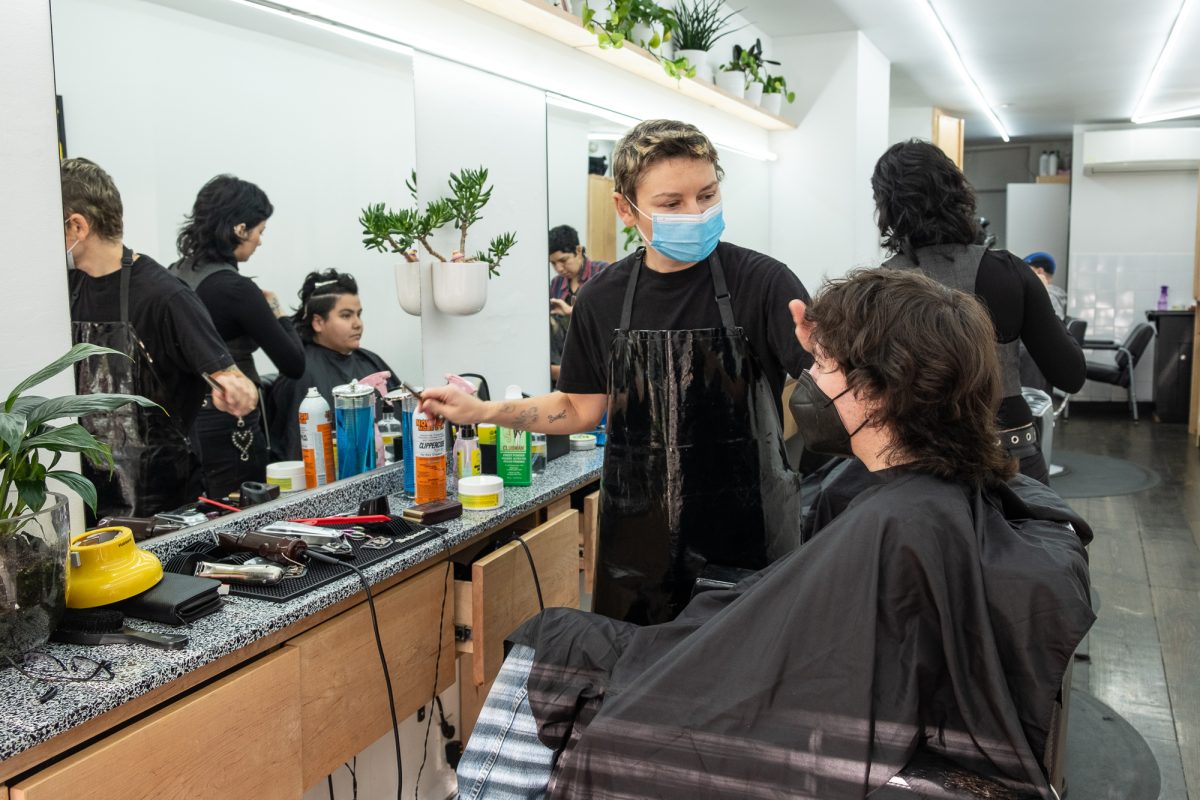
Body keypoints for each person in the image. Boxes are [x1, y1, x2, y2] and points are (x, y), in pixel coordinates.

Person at [457, 269, 1095, 800]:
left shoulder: (900, 521)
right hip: (770, 658)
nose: (808, 383)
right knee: (571, 640)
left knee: (555, 643)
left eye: (821, 366)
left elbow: (820, 676)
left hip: (780, 710)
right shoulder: (920, 490)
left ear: (876, 388)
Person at [422, 119, 813, 625]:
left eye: (708, 195)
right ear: (625, 208)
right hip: (640, 554)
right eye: (672, 204)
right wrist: (485, 410)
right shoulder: (602, 299)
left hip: (751, 544)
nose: (695, 214)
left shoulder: (763, 282)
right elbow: (578, 407)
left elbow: (828, 385)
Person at [871, 140, 1085, 484]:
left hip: (918, 465)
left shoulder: (881, 286)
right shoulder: (1012, 273)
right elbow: (1070, 374)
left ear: (888, 208)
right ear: (958, 194)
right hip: (1010, 455)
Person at [61, 158, 257, 521]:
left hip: (162, 510)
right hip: (86, 500)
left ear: (77, 226)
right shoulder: (65, 289)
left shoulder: (165, 296)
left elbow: (230, 376)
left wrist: (234, 386)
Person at [170, 175, 305, 498]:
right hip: (229, 428)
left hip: (180, 428)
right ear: (240, 229)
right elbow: (293, 363)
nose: (260, 241)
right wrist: (276, 309)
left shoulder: (172, 274)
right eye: (260, 231)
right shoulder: (237, 291)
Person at [268, 269, 399, 461]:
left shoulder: (371, 361)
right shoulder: (301, 374)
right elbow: (295, 451)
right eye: (346, 316)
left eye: (358, 314)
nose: (358, 324)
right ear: (318, 322)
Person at [548, 224, 609, 383]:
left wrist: (571, 312)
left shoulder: (602, 274)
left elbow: (610, 316)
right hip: (564, 353)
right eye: (553, 264)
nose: (559, 268)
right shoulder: (556, 284)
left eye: (563, 260)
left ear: (578, 251)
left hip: (594, 353)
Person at [1025, 251, 1068, 318]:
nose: (1023, 274)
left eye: (1026, 270)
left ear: (1039, 272)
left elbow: (1051, 327)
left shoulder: (1050, 297)